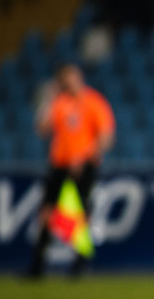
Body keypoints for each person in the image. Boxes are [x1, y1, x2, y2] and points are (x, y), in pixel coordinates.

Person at [29, 63, 115, 277]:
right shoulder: (59, 102)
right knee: (47, 212)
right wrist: (48, 98)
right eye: (67, 79)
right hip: (59, 164)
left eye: (73, 77)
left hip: (83, 165)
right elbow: (41, 129)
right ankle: (38, 264)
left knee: (82, 213)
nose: (71, 82)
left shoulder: (93, 102)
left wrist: (85, 156)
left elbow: (106, 136)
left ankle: (79, 264)